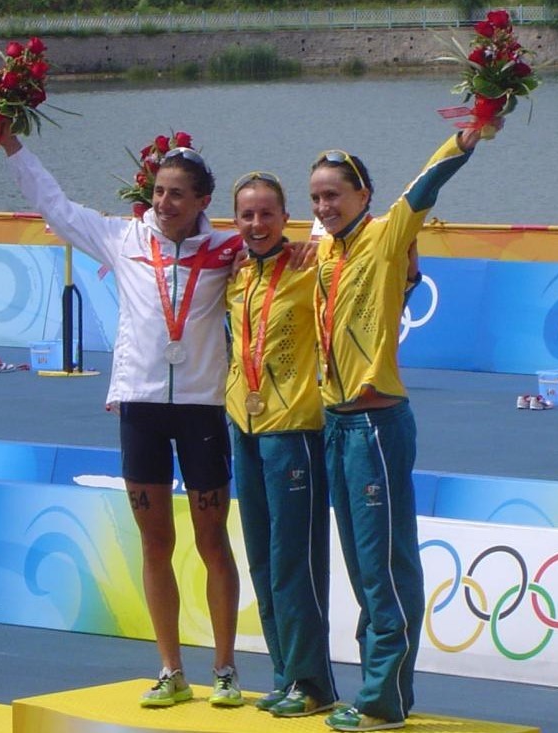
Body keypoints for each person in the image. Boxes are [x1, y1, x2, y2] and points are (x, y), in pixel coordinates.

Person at [0, 126, 245, 708]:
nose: (164, 203)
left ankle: (227, 669)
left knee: (213, 543)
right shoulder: (121, 238)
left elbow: (285, 250)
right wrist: (12, 147)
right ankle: (170, 669)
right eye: (159, 191)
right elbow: (53, 206)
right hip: (140, 409)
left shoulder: (227, 251)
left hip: (204, 410)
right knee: (155, 542)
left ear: (203, 201)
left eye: (178, 193)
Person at [309, 128, 487, 732]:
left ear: (364, 195)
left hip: (376, 425)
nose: (324, 207)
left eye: (334, 194)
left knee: (386, 564)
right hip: (333, 421)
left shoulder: (386, 236)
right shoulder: (327, 253)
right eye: (316, 198)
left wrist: (465, 137)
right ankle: (379, 689)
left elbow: (427, 182)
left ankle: (383, 696)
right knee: (362, 567)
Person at [226, 171, 337, 717]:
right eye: (247, 214)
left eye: (267, 213)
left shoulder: (309, 265)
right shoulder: (236, 272)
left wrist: (312, 241)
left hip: (293, 427)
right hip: (242, 425)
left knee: (295, 560)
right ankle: (284, 672)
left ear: (286, 217)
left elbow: (358, 237)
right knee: (264, 561)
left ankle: (313, 682)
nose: (256, 223)